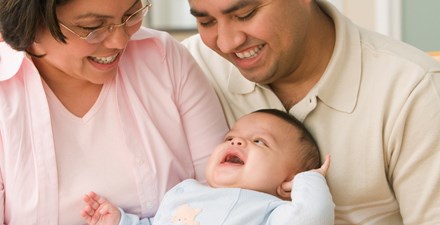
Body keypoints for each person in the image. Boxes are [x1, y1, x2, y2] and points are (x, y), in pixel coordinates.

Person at [180, 0, 440, 224]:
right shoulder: (188, 68)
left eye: (245, 14)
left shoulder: (415, 89)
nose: (226, 43)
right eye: (206, 21)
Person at [0, 0, 229, 224]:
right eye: (92, 27)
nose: (120, 41)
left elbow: (227, 200)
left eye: (131, 14)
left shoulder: (163, 57)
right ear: (29, 24)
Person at [81, 109, 335, 225]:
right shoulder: (186, 192)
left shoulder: (272, 211)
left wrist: (309, 180)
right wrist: (120, 221)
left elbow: (312, 218)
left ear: (287, 181)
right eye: (229, 138)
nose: (237, 141)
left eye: (259, 141)